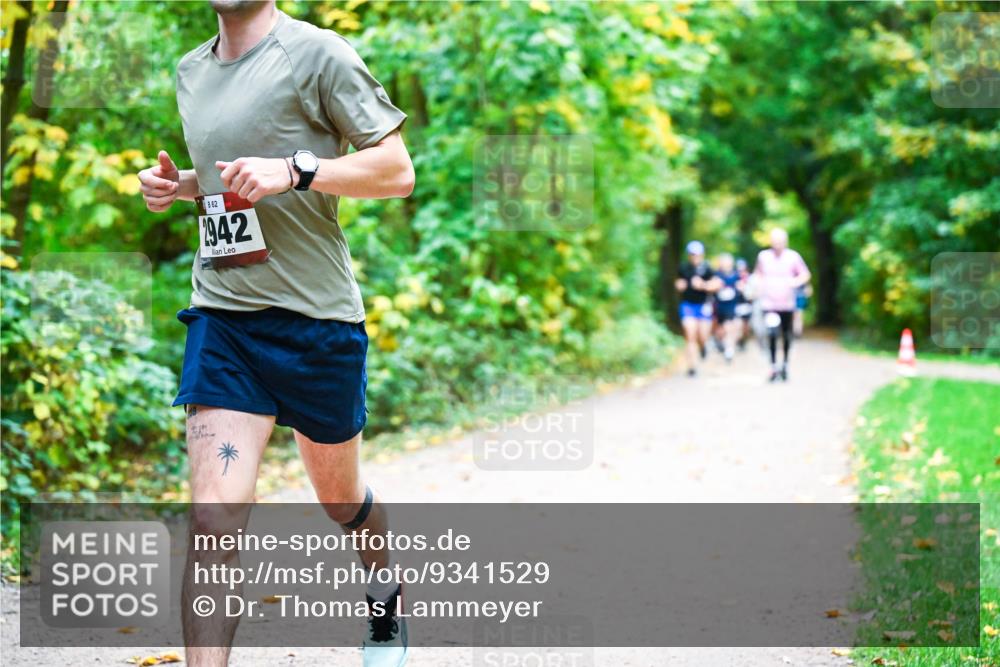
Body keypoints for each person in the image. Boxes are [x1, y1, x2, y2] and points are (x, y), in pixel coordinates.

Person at [136, 2, 414, 665]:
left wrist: (297, 169)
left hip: (317, 325)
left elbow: (397, 171)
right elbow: (225, 180)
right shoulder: (191, 70)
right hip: (225, 319)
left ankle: (385, 596)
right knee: (214, 520)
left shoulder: (317, 54)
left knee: (341, 501)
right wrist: (179, 187)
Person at [753, 228, 811, 382]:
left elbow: (805, 274)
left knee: (786, 335)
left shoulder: (793, 257)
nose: (777, 244)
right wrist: (757, 288)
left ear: (785, 242)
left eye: (780, 241)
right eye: (775, 241)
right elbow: (757, 275)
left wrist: (795, 282)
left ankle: (784, 364)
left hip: (787, 303)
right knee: (772, 333)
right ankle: (773, 367)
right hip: (769, 303)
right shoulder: (763, 256)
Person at [675, 240, 720, 376]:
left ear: (702, 255)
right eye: (692, 254)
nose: (695, 257)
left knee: (703, 336)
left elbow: (717, 284)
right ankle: (692, 367)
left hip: (703, 306)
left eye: (698, 254)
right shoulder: (684, 268)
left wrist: (703, 285)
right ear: (689, 255)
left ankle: (704, 346)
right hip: (688, 305)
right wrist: (679, 285)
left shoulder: (707, 268)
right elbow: (678, 282)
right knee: (690, 334)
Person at [713, 253, 742, 363]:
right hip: (719, 307)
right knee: (721, 330)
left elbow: (741, 287)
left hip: (732, 306)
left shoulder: (736, 275)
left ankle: (729, 350)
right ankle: (721, 343)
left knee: (730, 327)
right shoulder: (716, 275)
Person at [733, 258, 753, 351]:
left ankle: (743, 341)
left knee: (746, 326)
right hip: (736, 305)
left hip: (747, 305)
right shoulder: (734, 278)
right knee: (737, 325)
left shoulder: (750, 278)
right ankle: (737, 341)